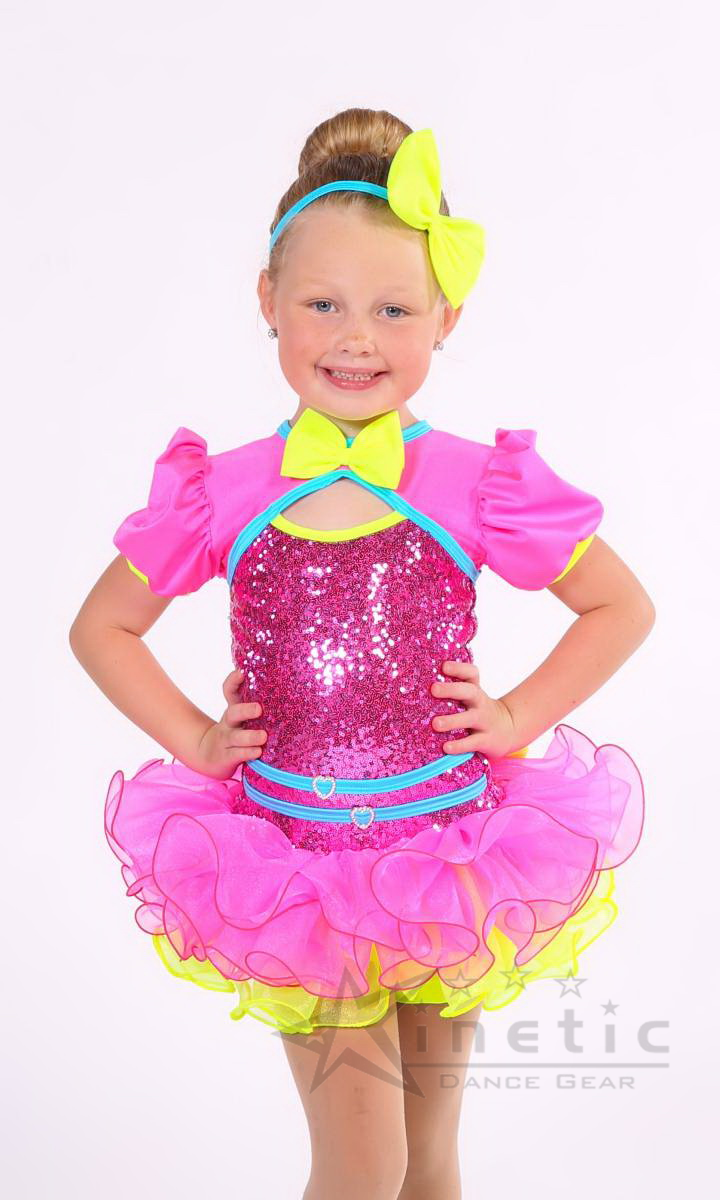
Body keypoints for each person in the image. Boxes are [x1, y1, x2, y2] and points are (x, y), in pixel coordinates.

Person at [69, 107, 654, 1200]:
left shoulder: (477, 482)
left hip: (451, 850)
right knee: (363, 1161)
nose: (356, 339)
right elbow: (102, 628)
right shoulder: (225, 489)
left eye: (393, 310)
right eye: (322, 304)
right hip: (296, 865)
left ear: (445, 318)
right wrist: (197, 738)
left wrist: (516, 718)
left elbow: (620, 606)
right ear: (268, 301)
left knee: (428, 1159)